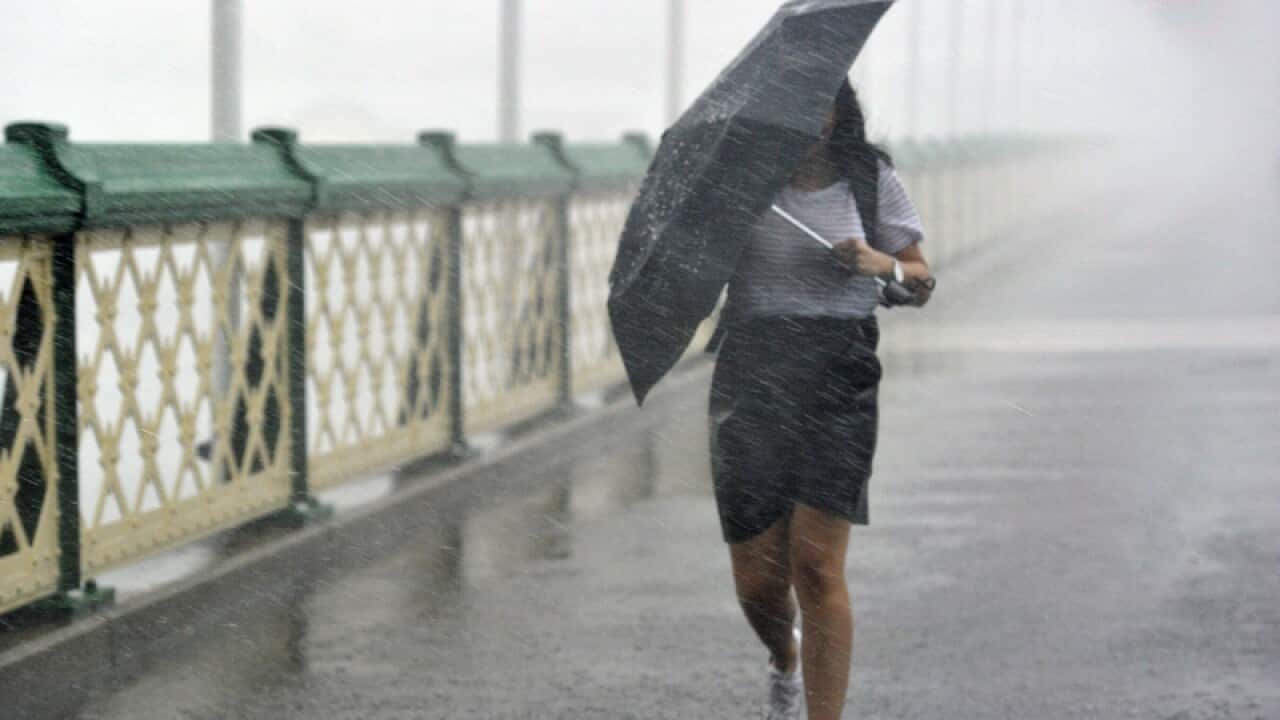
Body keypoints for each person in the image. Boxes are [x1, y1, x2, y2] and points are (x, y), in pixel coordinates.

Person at [707, 78, 933, 720]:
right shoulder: (743, 182)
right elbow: (697, 272)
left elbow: (920, 282)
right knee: (757, 580)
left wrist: (878, 264)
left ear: (837, 113)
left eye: (817, 105)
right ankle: (784, 656)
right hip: (753, 370)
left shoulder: (869, 179)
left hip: (839, 370)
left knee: (816, 566)